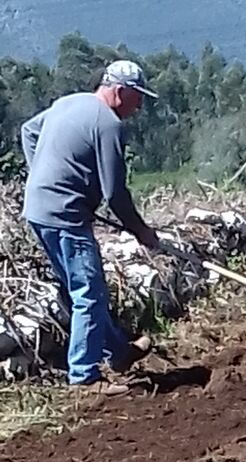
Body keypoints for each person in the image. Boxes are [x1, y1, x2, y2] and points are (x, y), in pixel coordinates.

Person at [21, 60, 160, 394]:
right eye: (136, 97)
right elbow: (115, 193)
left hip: (39, 210)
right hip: (65, 217)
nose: (138, 106)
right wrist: (141, 231)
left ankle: (119, 353)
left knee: (82, 289)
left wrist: (41, 177)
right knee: (89, 293)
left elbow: (29, 131)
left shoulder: (69, 102)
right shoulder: (108, 124)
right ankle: (83, 377)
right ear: (119, 91)